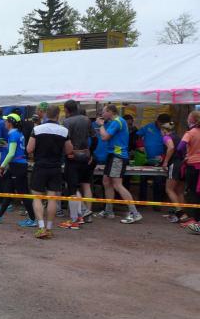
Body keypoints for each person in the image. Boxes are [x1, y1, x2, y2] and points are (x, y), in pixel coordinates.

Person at [27, 105, 73, 239]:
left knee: (37, 197)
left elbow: (29, 149)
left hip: (40, 166)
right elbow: (69, 150)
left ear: (46, 114)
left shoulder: (37, 129)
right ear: (58, 115)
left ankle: (41, 227)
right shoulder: (64, 131)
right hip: (56, 167)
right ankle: (49, 228)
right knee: (52, 198)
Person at [0, 113, 36, 227]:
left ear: (10, 123)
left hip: (17, 166)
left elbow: (11, 153)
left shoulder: (13, 134)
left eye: (6, 121)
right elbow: (14, 149)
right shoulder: (18, 133)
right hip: (17, 165)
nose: (4, 122)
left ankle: (33, 219)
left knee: (23, 194)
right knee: (9, 191)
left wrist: (2, 166)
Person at [95, 105, 142, 224]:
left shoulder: (117, 121)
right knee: (106, 181)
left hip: (118, 156)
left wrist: (101, 125)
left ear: (110, 112)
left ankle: (134, 213)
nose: (102, 114)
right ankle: (108, 211)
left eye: (103, 112)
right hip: (113, 155)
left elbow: (105, 137)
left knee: (117, 184)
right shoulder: (116, 121)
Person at [59, 100, 94, 229]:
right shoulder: (86, 120)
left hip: (72, 156)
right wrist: (90, 153)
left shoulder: (66, 122)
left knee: (72, 188)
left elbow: (64, 141)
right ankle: (84, 212)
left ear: (66, 109)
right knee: (84, 184)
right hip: (85, 156)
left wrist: (67, 153)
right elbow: (94, 137)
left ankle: (75, 219)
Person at [136, 113, 170, 205]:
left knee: (158, 182)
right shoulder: (148, 127)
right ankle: (142, 202)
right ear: (157, 121)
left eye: (164, 124)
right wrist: (140, 145)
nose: (162, 126)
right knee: (143, 180)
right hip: (146, 160)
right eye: (161, 124)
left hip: (160, 161)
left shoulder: (168, 130)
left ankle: (157, 204)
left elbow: (171, 146)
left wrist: (163, 157)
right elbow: (138, 136)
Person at [160, 122, 189, 223]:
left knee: (169, 189)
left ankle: (181, 213)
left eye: (161, 131)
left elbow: (171, 147)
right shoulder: (178, 137)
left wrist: (165, 162)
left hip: (174, 164)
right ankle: (184, 214)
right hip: (183, 164)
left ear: (164, 130)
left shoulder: (166, 137)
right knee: (179, 191)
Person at [178, 111, 200, 233]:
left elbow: (180, 147)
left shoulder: (190, 133)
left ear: (192, 120)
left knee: (192, 193)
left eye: (188, 118)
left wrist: (185, 156)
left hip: (193, 166)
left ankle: (195, 220)